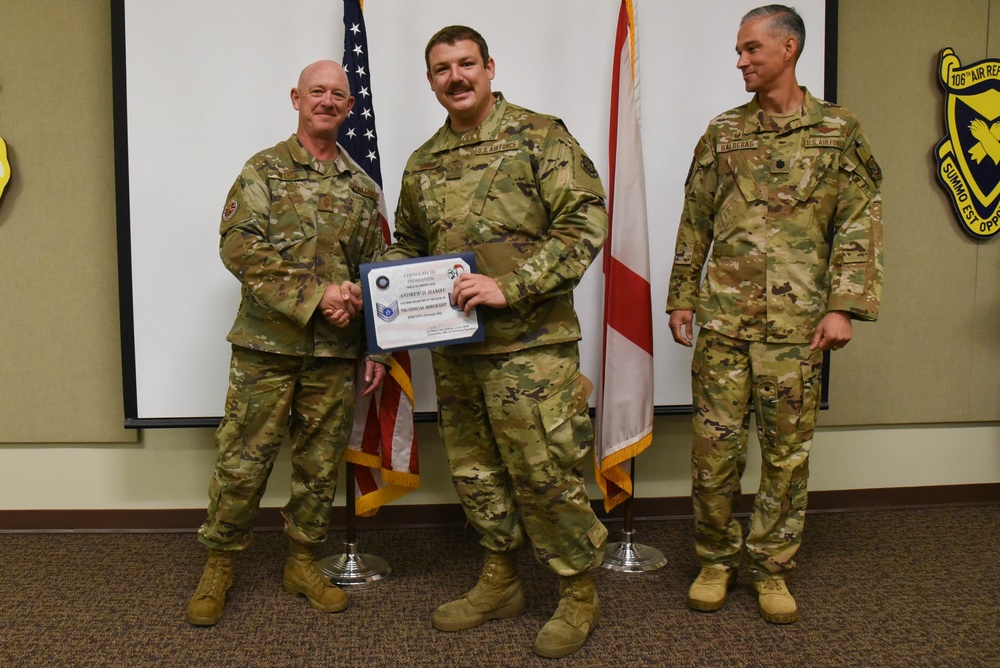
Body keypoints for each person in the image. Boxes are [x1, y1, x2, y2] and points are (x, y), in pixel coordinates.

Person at [381, 25, 609, 659]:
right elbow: (408, 244)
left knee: (545, 470)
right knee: (476, 471)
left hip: (530, 347)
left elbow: (585, 217)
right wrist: (386, 290)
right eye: (442, 69)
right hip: (455, 350)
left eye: (466, 64)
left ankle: (576, 592)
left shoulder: (540, 135)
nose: (456, 77)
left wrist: (517, 283)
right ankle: (500, 580)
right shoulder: (423, 161)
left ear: (488, 66)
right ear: (430, 81)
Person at [666, 5, 883, 625]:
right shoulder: (722, 132)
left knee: (787, 455)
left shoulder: (839, 131)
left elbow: (860, 222)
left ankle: (772, 568)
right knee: (714, 450)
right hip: (726, 323)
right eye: (738, 51)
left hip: (797, 329)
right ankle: (714, 561)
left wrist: (843, 306)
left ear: (788, 49)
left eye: (751, 49)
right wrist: (682, 293)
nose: (740, 60)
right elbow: (696, 217)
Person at [187, 60, 387, 627]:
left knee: (319, 465)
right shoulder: (265, 171)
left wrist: (375, 348)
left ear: (349, 107)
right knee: (243, 460)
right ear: (296, 98)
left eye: (338, 94)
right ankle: (220, 564)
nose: (327, 100)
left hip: (334, 353)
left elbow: (376, 272)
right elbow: (239, 247)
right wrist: (315, 296)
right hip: (266, 349)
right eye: (317, 91)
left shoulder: (360, 186)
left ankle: (302, 561)